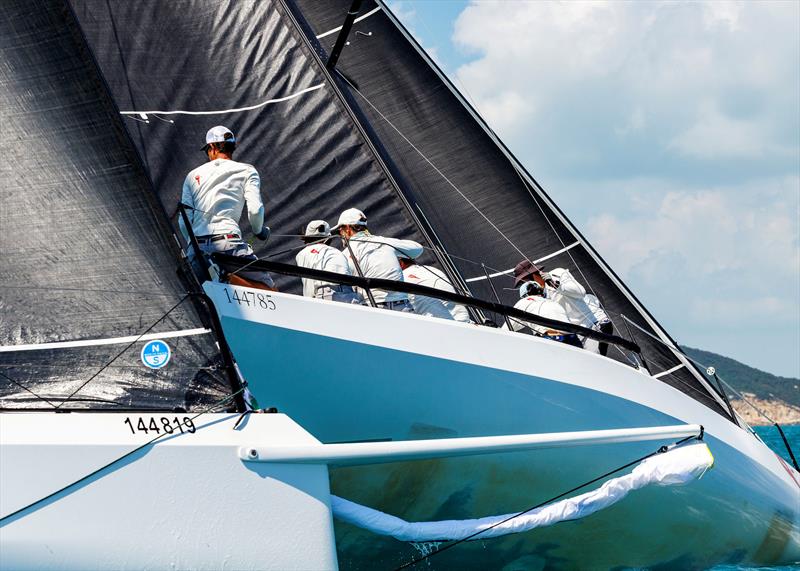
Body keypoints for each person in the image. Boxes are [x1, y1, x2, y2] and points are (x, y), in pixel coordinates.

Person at [180, 125, 274, 289]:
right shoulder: (247, 170)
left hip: (196, 251)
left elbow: (184, 220)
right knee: (269, 289)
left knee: (200, 296)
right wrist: (259, 231)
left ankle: (217, 275)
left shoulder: (192, 176)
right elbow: (255, 209)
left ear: (212, 147)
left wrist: (193, 246)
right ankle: (226, 278)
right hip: (228, 245)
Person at [334, 208, 422, 312]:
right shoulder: (384, 242)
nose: (340, 235)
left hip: (374, 308)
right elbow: (417, 249)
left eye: (340, 231)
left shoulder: (344, 255)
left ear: (348, 228)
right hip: (403, 306)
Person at [295, 220, 363, 304]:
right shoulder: (336, 252)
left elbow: (310, 285)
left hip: (318, 298)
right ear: (328, 238)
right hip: (343, 295)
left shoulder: (300, 255)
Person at [503, 280, 581, 347]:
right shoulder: (553, 303)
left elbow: (506, 329)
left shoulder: (523, 302)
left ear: (525, 295)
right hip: (573, 338)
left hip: (551, 337)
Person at [397, 257, 472, 322]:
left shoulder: (400, 278)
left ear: (401, 263)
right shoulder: (433, 270)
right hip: (464, 320)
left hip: (440, 327)